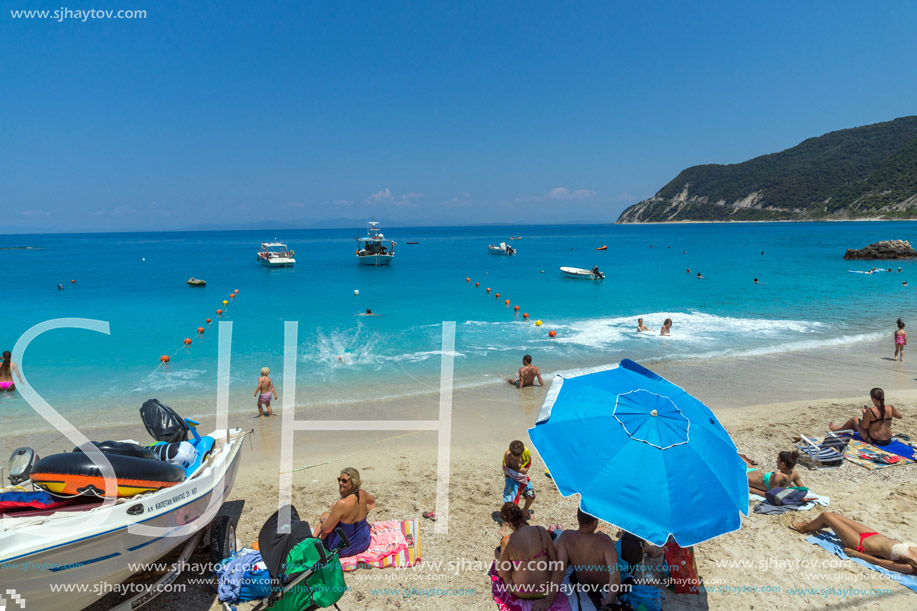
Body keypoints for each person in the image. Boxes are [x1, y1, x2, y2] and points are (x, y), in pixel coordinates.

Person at [791, 512, 917, 574]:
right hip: (874, 535)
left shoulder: (910, 567)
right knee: (832, 515)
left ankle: (805, 528)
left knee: (826, 516)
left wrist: (853, 553)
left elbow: (878, 562)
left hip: (861, 544)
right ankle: (813, 525)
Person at [544, 509, 621, 609]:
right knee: (621, 549)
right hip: (604, 584)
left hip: (584, 581)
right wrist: (608, 602)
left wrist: (547, 600)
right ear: (595, 522)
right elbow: (615, 577)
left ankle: (599, 532)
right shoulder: (605, 541)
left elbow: (560, 570)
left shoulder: (566, 536)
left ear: (578, 519)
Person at [494, 502, 559, 605]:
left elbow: (502, 573)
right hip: (547, 589)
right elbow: (556, 560)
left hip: (522, 592)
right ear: (521, 515)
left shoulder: (508, 541)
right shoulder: (540, 531)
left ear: (507, 523)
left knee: (498, 554)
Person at [314, 468, 375, 557]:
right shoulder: (362, 493)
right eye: (339, 480)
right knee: (331, 517)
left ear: (353, 483)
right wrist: (365, 511)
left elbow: (326, 529)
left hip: (345, 548)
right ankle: (314, 539)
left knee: (325, 516)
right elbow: (372, 502)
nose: (340, 483)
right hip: (363, 542)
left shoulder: (342, 503)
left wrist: (323, 520)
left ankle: (313, 539)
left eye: (344, 481)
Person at [830, 388, 902, 446]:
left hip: (875, 440)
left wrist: (864, 414)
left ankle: (838, 430)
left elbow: (865, 426)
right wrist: (888, 415)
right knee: (866, 424)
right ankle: (842, 429)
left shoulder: (870, 411)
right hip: (888, 440)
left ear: (873, 398)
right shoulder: (891, 408)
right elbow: (900, 416)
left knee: (855, 419)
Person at [503, 440, 536, 519]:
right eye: (515, 456)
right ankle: (507, 520)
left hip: (523, 478)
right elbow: (507, 469)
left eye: (519, 456)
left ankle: (525, 510)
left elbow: (528, 463)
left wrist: (523, 471)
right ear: (510, 451)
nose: (517, 458)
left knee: (531, 496)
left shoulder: (526, 452)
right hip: (512, 479)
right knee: (510, 501)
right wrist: (520, 470)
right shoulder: (507, 455)